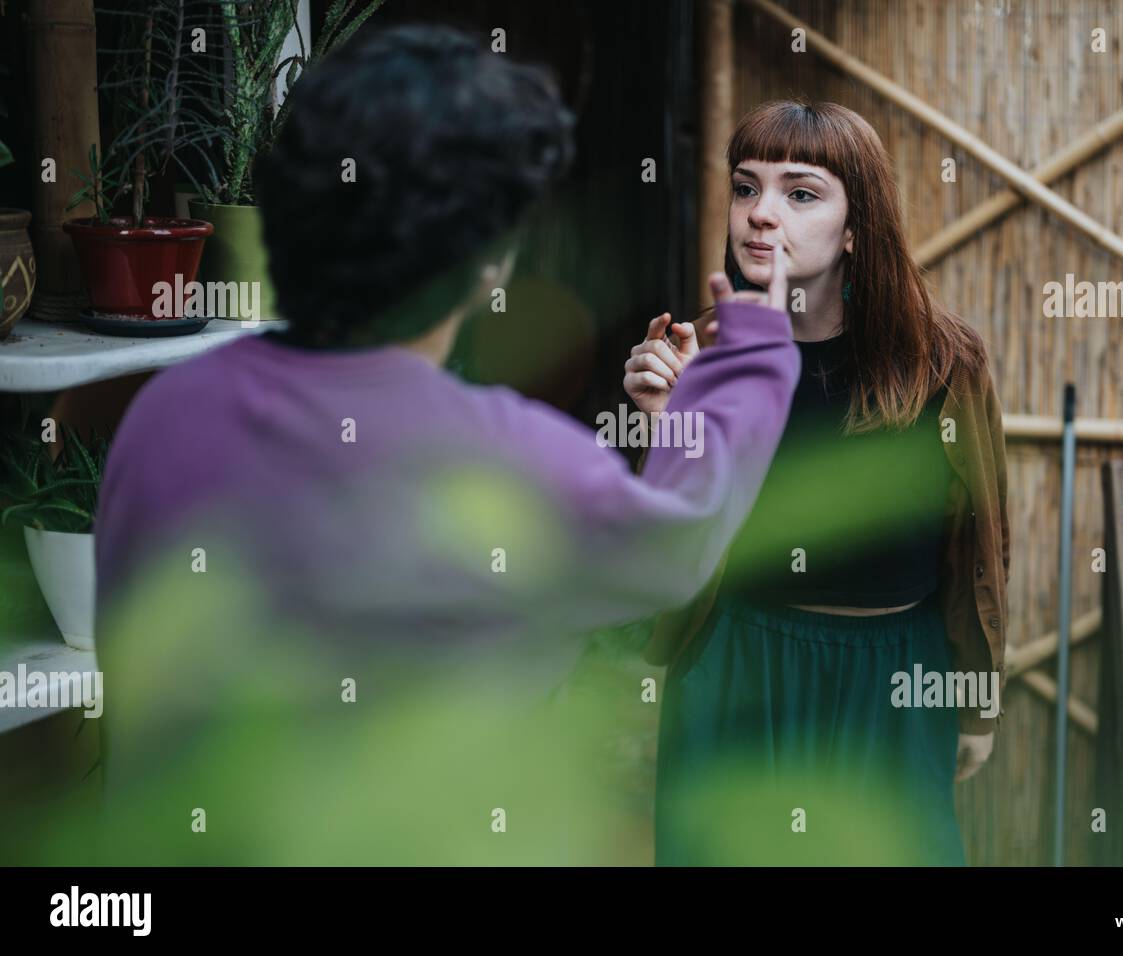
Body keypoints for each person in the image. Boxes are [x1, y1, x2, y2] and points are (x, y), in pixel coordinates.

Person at [90, 25, 799, 858]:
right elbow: (680, 538)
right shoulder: (505, 459)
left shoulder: (165, 410)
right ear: (491, 261)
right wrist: (751, 355)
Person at [623, 100, 1011, 866]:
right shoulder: (700, 352)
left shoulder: (942, 362)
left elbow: (980, 543)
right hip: (739, 656)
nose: (761, 215)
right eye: (745, 188)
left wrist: (977, 699)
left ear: (856, 224)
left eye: (800, 193)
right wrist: (668, 423)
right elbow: (662, 551)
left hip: (896, 671)